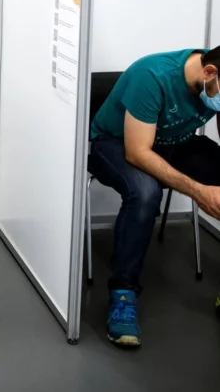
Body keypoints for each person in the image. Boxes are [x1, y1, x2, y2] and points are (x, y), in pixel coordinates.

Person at [90, 47, 220, 347]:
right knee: (145, 193)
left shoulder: (214, 80)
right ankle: (123, 295)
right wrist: (200, 192)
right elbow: (137, 153)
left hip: (175, 143)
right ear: (209, 73)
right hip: (116, 143)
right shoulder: (153, 76)